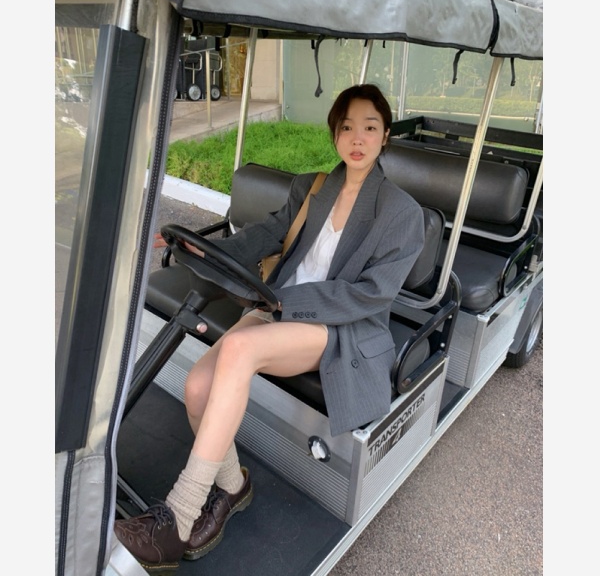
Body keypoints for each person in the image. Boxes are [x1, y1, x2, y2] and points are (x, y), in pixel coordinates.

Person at [113, 83, 425, 572]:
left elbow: (370, 295)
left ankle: (179, 515)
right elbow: (264, 234)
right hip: (277, 308)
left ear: (385, 135)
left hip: (339, 327)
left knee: (237, 352)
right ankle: (233, 487)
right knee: (196, 388)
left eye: (370, 127)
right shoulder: (313, 187)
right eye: (347, 127)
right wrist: (197, 246)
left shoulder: (401, 212)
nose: (357, 138)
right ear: (335, 134)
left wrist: (284, 302)